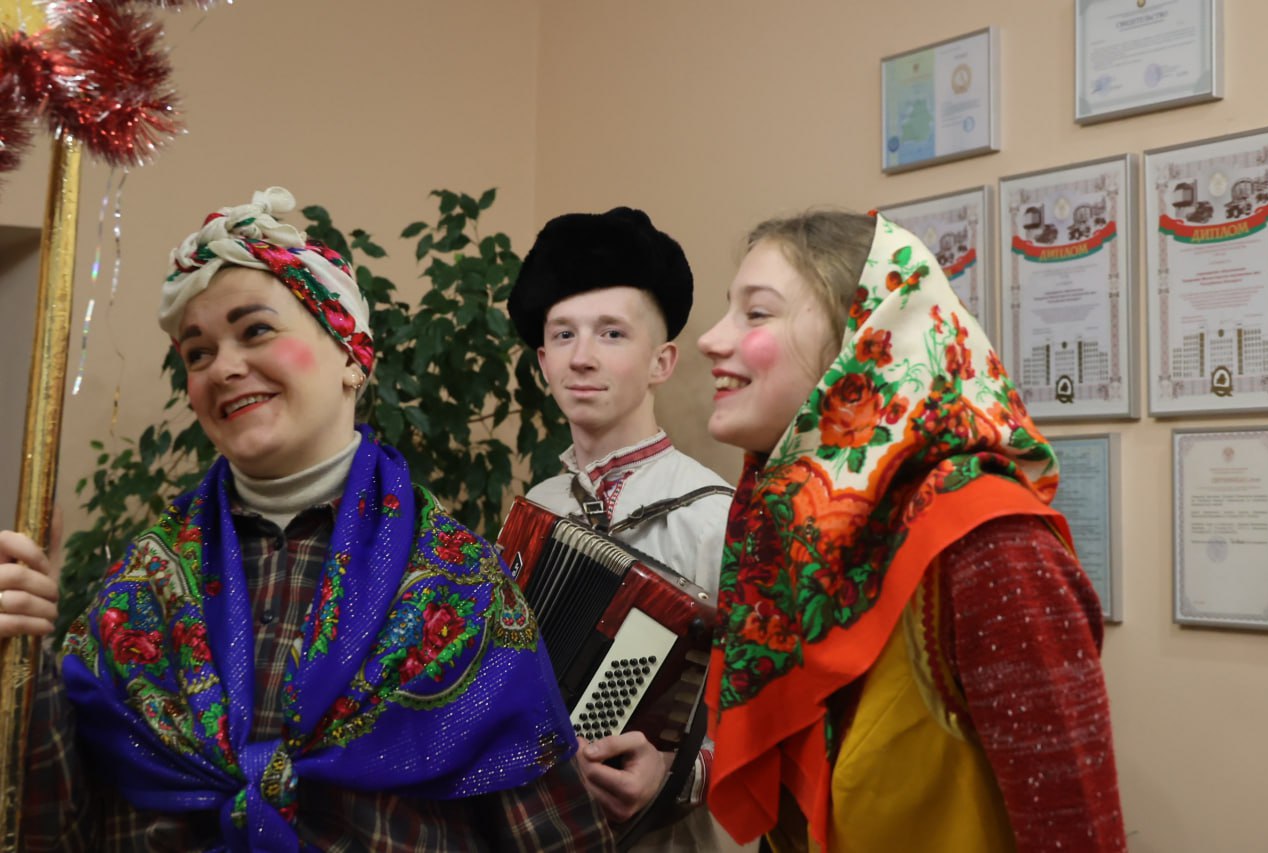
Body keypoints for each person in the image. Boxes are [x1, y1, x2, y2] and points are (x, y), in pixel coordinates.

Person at [2, 187, 614, 851]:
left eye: (255, 331)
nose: (223, 368)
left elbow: (556, 837)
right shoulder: (139, 588)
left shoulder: (460, 586)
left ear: (351, 356)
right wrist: (18, 656)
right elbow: (49, 824)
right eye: (198, 352)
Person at [696, 210, 1127, 852]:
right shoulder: (794, 527)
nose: (710, 340)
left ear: (870, 341)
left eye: (755, 313)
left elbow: (1073, 831)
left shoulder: (991, 542)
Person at [507, 207, 747, 851]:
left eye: (611, 334)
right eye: (563, 335)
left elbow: (777, 710)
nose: (582, 358)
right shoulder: (536, 510)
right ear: (542, 362)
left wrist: (678, 773)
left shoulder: (720, 517)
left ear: (661, 362)